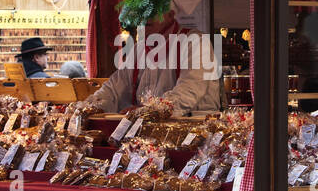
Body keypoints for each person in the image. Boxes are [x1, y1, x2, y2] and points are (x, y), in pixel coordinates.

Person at [82, 9, 222, 115]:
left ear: (170, 14)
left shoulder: (194, 42)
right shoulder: (139, 49)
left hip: (195, 135)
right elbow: (113, 89)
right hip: (148, 139)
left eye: (153, 10)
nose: (146, 16)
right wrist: (88, 107)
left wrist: (148, 112)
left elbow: (188, 93)